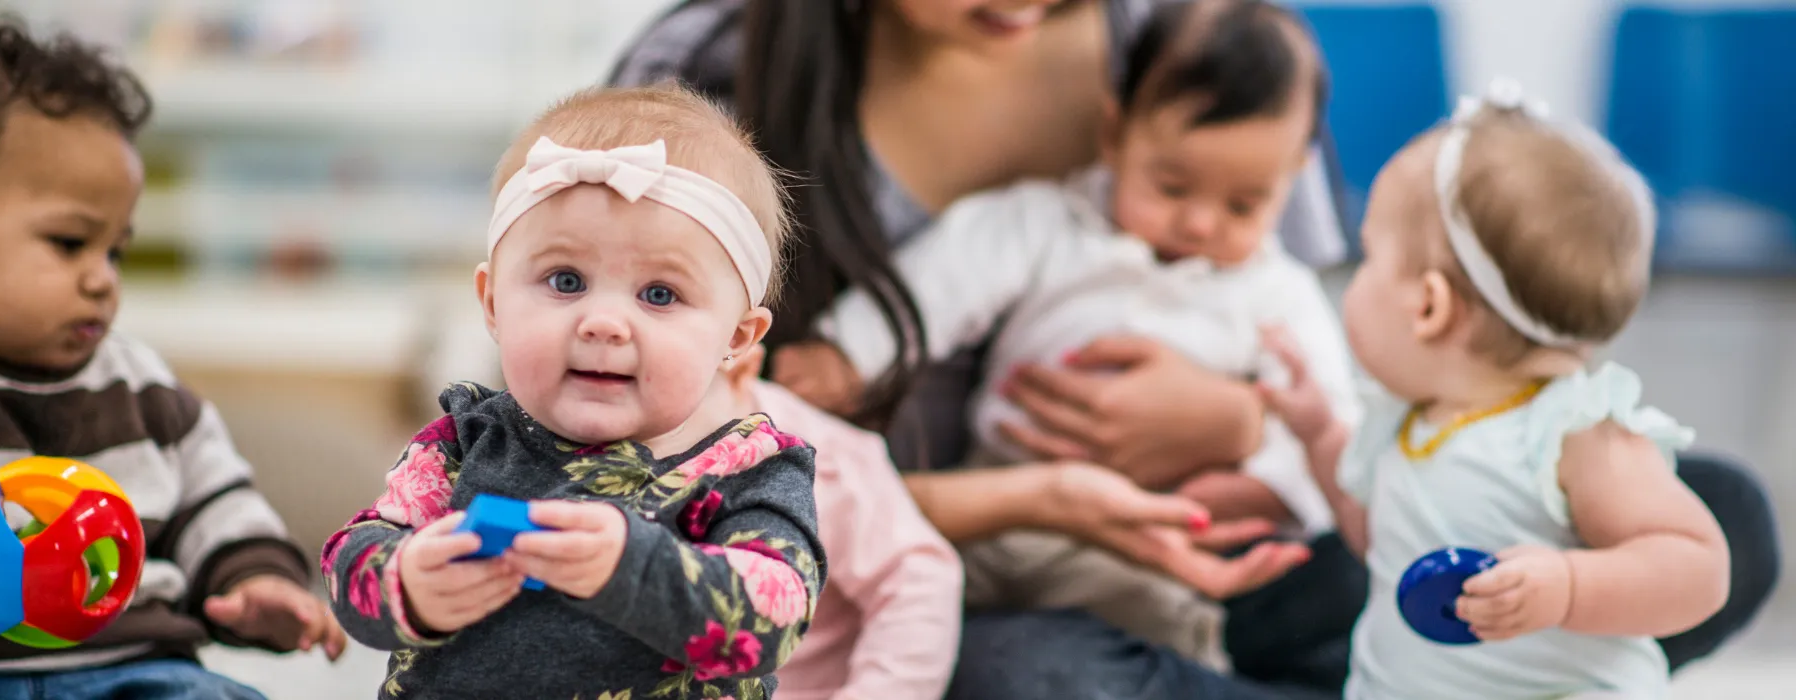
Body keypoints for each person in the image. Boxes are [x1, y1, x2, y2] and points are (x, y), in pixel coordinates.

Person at [609, 0, 1781, 697]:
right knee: (1037, 677)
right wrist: (1045, 495)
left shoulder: (1191, 36)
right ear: (1121, 133)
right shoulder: (711, 71)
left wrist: (1253, 428)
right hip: (937, 566)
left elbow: (1338, 350)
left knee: (1710, 512)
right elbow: (653, 473)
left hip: (1232, 543)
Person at [769, 0, 1353, 669]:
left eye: (1243, 205)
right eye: (1171, 185)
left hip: (1135, 540)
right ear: (1114, 133)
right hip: (992, 507)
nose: (1198, 223)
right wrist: (851, 352)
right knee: (904, 595)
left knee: (1157, 629)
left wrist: (1264, 469)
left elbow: (1332, 420)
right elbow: (946, 277)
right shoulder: (1053, 224)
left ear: (1295, 178)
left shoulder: (1279, 295)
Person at [0, 3, 345, 698]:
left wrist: (257, 581)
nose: (102, 277)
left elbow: (215, 501)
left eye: (115, 249)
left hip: (133, 665)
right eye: (69, 243)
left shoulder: (142, 385)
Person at [322, 85, 823, 700]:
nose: (603, 322)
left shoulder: (748, 468)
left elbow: (776, 614)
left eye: (659, 294)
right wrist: (408, 583)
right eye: (566, 281)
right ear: (493, 303)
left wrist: (632, 566)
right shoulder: (465, 439)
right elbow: (352, 559)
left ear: (738, 337)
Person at [1264, 78, 1729, 699]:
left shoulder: (1571, 431)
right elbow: (1380, 540)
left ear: (1428, 306)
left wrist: (1569, 586)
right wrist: (1320, 433)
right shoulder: (1408, 421)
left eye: (1370, 255)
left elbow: (1699, 566)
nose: (1358, 273)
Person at [723, 345, 965, 700]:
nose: (612, 325)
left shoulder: (811, 449)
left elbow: (917, 577)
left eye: (660, 297)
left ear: (738, 351)